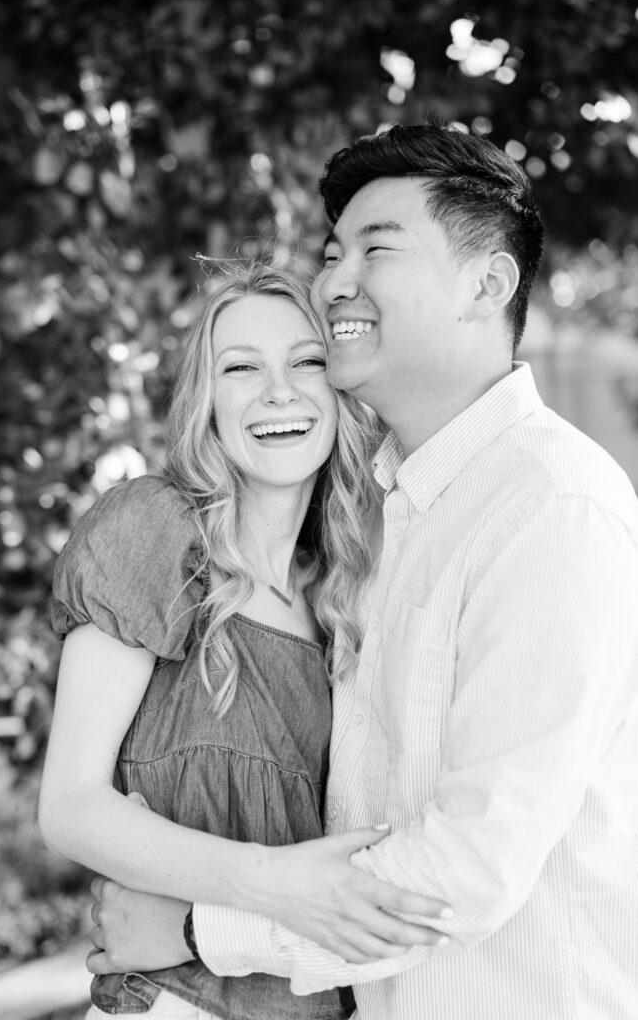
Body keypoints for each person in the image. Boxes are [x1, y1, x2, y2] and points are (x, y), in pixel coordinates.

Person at [91, 123, 638, 1019]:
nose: (334, 279)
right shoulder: (378, 519)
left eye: (376, 248)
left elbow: (461, 871)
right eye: (333, 249)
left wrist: (196, 930)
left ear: (487, 284)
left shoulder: (551, 508)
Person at [38, 263, 451, 1020]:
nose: (279, 392)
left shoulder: (351, 590)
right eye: (241, 368)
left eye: (306, 362)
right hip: (173, 1006)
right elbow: (69, 806)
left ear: (338, 394)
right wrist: (269, 881)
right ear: (207, 402)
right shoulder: (154, 529)